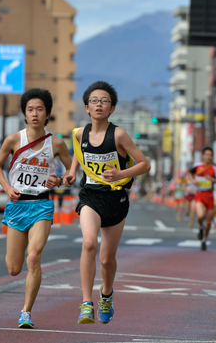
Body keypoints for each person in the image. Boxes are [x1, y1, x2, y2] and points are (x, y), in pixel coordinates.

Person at [63, 81, 150, 325]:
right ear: (86, 107)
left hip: (116, 198)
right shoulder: (80, 134)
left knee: (106, 259)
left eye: (104, 101)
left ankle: (107, 294)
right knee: (89, 243)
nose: (99, 104)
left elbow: (144, 164)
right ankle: (85, 304)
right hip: (91, 195)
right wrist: (70, 174)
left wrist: (121, 174)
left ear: (112, 108)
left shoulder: (119, 134)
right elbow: (77, 158)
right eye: (94, 101)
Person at [0, 88, 72, 329]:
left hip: (42, 206)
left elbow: (71, 174)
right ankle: (24, 303)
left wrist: (58, 180)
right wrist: (7, 188)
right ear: (24, 114)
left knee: (34, 256)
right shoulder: (14, 140)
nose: (35, 114)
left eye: (40, 109)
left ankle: (26, 312)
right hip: (17, 206)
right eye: (30, 110)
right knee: (14, 268)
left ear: (47, 114)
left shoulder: (56, 143)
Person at [187, 147, 216, 251]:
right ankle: (201, 228)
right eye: (206, 154)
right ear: (202, 156)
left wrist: (212, 179)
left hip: (210, 196)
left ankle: (204, 240)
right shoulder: (197, 166)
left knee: (209, 222)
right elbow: (190, 175)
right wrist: (193, 181)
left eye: (210, 155)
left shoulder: (214, 168)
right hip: (199, 194)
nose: (208, 157)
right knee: (201, 215)